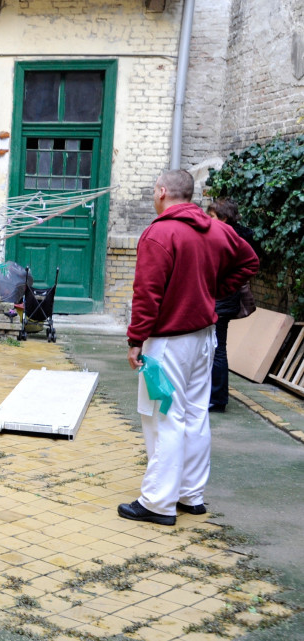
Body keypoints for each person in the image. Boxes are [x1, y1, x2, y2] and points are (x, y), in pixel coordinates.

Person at [121, 170, 259, 526]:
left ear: (163, 192)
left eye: (154, 191)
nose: (154, 197)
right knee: (196, 415)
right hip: (203, 338)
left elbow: (146, 294)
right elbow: (249, 261)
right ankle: (190, 495)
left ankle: (157, 502)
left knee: (163, 416)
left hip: (167, 342)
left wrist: (136, 339)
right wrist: (213, 291)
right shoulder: (217, 229)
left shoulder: (160, 233)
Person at [206, 198, 261, 412]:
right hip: (225, 297)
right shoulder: (236, 235)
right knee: (216, 346)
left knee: (216, 348)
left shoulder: (229, 238)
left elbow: (248, 265)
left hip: (222, 299)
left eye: (211, 216)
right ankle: (214, 396)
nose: (207, 220)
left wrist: (223, 287)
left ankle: (217, 399)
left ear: (224, 218)